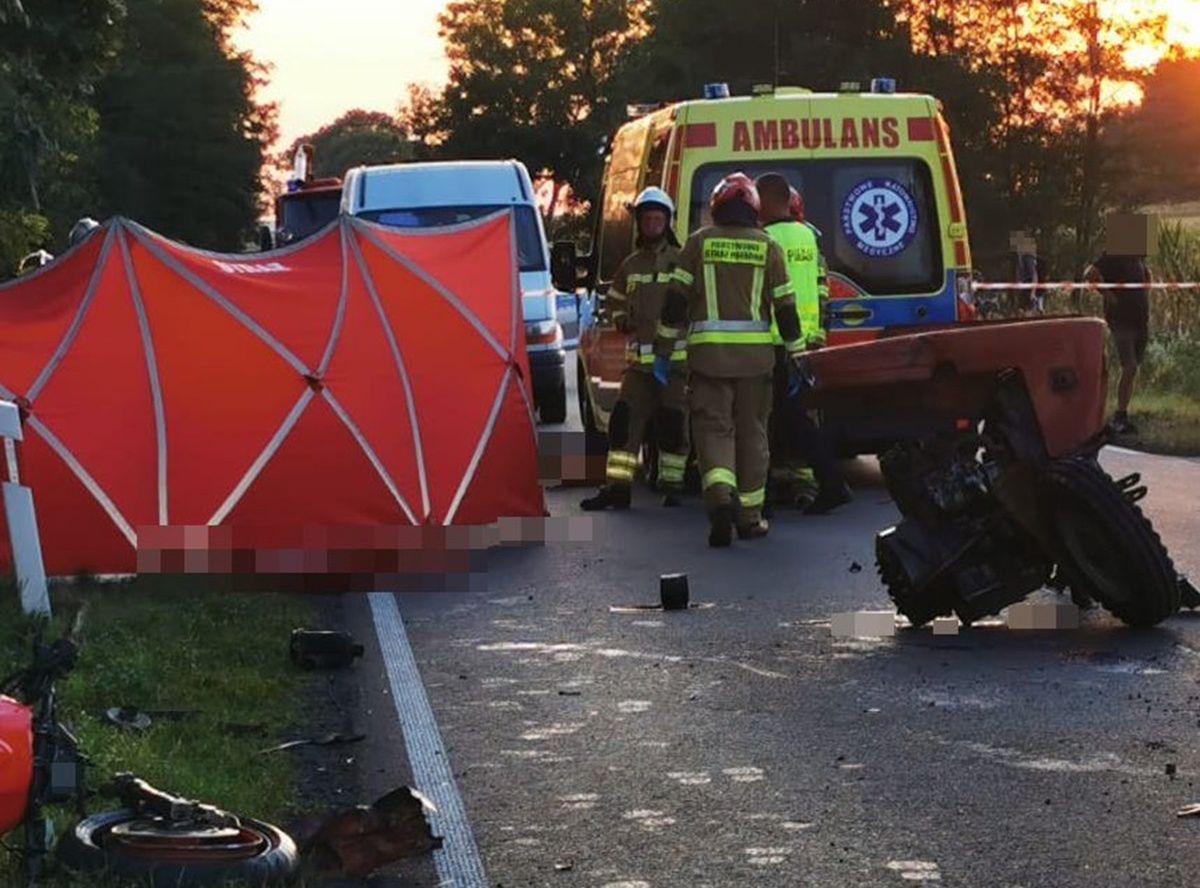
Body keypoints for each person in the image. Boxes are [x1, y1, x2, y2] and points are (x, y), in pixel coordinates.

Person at [654, 172, 807, 547]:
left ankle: (721, 498)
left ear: (717, 207)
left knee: (713, 430)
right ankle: (750, 516)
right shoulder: (767, 246)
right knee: (753, 434)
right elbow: (786, 310)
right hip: (757, 362)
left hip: (708, 360)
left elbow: (675, 302)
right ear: (753, 208)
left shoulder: (698, 243)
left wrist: (662, 351)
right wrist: (798, 355)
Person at [581, 187, 689, 511]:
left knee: (673, 425)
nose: (653, 224)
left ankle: (672, 486)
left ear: (668, 222)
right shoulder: (630, 265)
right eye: (648, 219)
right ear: (640, 223)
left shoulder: (682, 262)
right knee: (623, 424)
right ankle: (618, 487)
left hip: (675, 365)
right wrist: (620, 319)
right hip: (639, 367)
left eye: (658, 218)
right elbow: (613, 301)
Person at [757, 174, 851, 516]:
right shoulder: (809, 237)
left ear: (766, 201)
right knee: (795, 419)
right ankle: (825, 484)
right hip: (806, 344)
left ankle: (768, 495)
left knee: (766, 422)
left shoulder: (764, 239)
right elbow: (820, 288)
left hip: (773, 344)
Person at [1084, 246, 1151, 435]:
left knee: (1133, 368)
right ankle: (1119, 416)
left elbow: (1146, 276)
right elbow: (1090, 274)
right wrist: (1108, 295)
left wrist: (1146, 291)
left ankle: (1122, 414)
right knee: (1129, 365)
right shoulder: (1113, 254)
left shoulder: (1138, 256)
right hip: (1121, 319)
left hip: (1140, 318)